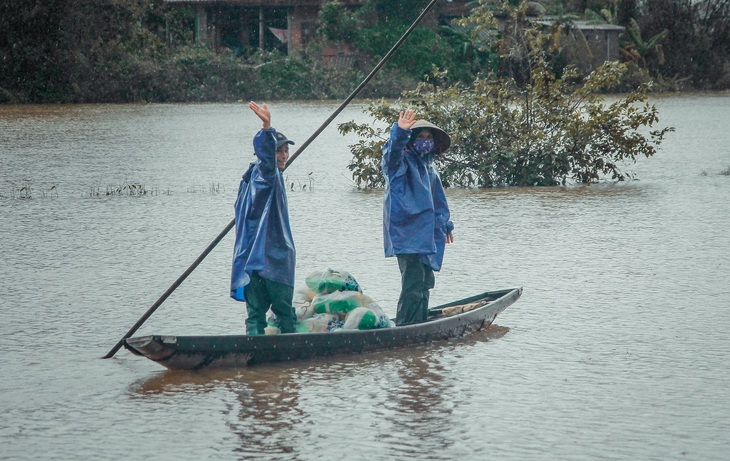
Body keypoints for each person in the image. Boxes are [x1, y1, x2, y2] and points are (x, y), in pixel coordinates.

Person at [382, 109, 455, 326]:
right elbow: (391, 155)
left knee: (425, 281)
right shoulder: (400, 164)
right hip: (406, 233)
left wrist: (446, 225)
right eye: (420, 137)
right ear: (411, 141)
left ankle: (420, 325)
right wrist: (399, 132)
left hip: (426, 235)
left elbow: (438, 201)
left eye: (428, 138)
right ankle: (406, 326)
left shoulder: (429, 168)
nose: (425, 142)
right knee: (412, 283)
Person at [230, 101, 297, 334]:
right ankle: (287, 353)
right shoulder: (266, 175)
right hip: (273, 259)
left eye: (286, 150)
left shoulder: (251, 178)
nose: (284, 155)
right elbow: (267, 162)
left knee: (257, 317)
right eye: (279, 150)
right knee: (283, 313)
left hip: (252, 260)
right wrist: (267, 127)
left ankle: (260, 362)